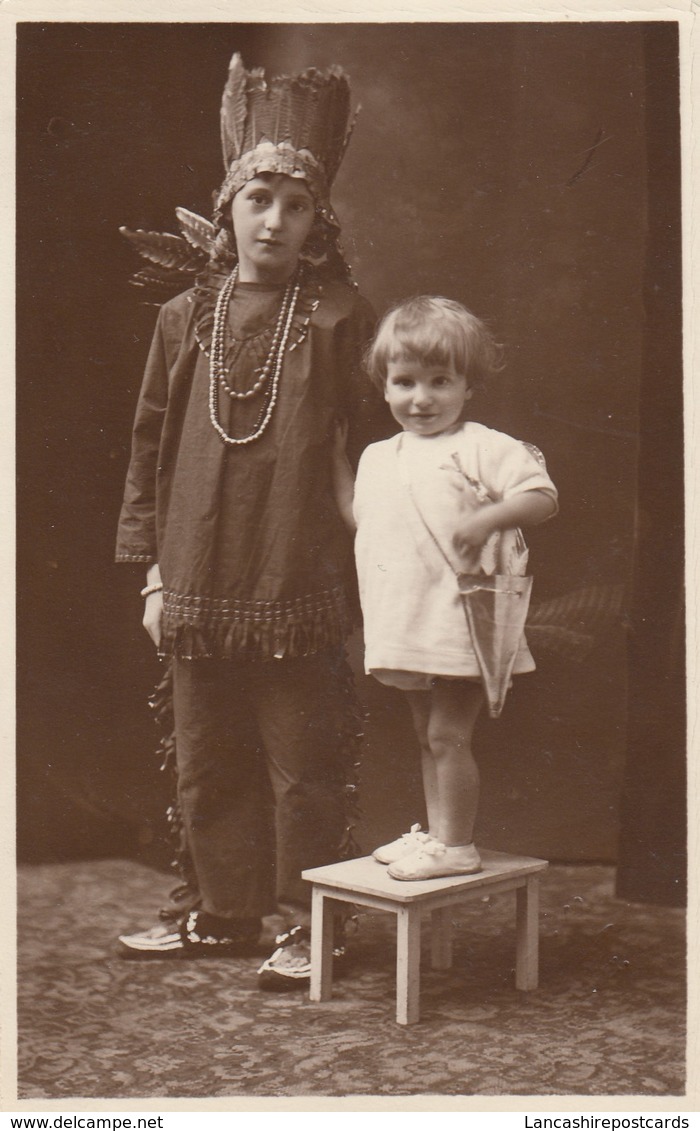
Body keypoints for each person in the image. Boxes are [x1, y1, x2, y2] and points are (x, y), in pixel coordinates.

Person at [115, 53, 384, 989]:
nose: (274, 219)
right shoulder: (186, 316)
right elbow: (150, 451)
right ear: (228, 209)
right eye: (258, 197)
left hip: (295, 576)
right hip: (194, 576)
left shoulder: (343, 318)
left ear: (318, 225)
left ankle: (314, 922)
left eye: (295, 205)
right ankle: (224, 912)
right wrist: (153, 573)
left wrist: (377, 563)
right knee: (207, 756)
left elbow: (383, 452)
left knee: (302, 763)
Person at [333, 296, 558, 881]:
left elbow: (541, 496)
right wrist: (332, 462)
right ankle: (438, 835)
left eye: (440, 382)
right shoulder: (381, 456)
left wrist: (487, 519)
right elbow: (364, 517)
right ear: (384, 385)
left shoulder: (483, 446)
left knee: (447, 733)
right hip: (407, 619)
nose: (421, 398)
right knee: (425, 733)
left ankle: (457, 846)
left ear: (467, 386)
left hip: (463, 619)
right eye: (405, 382)